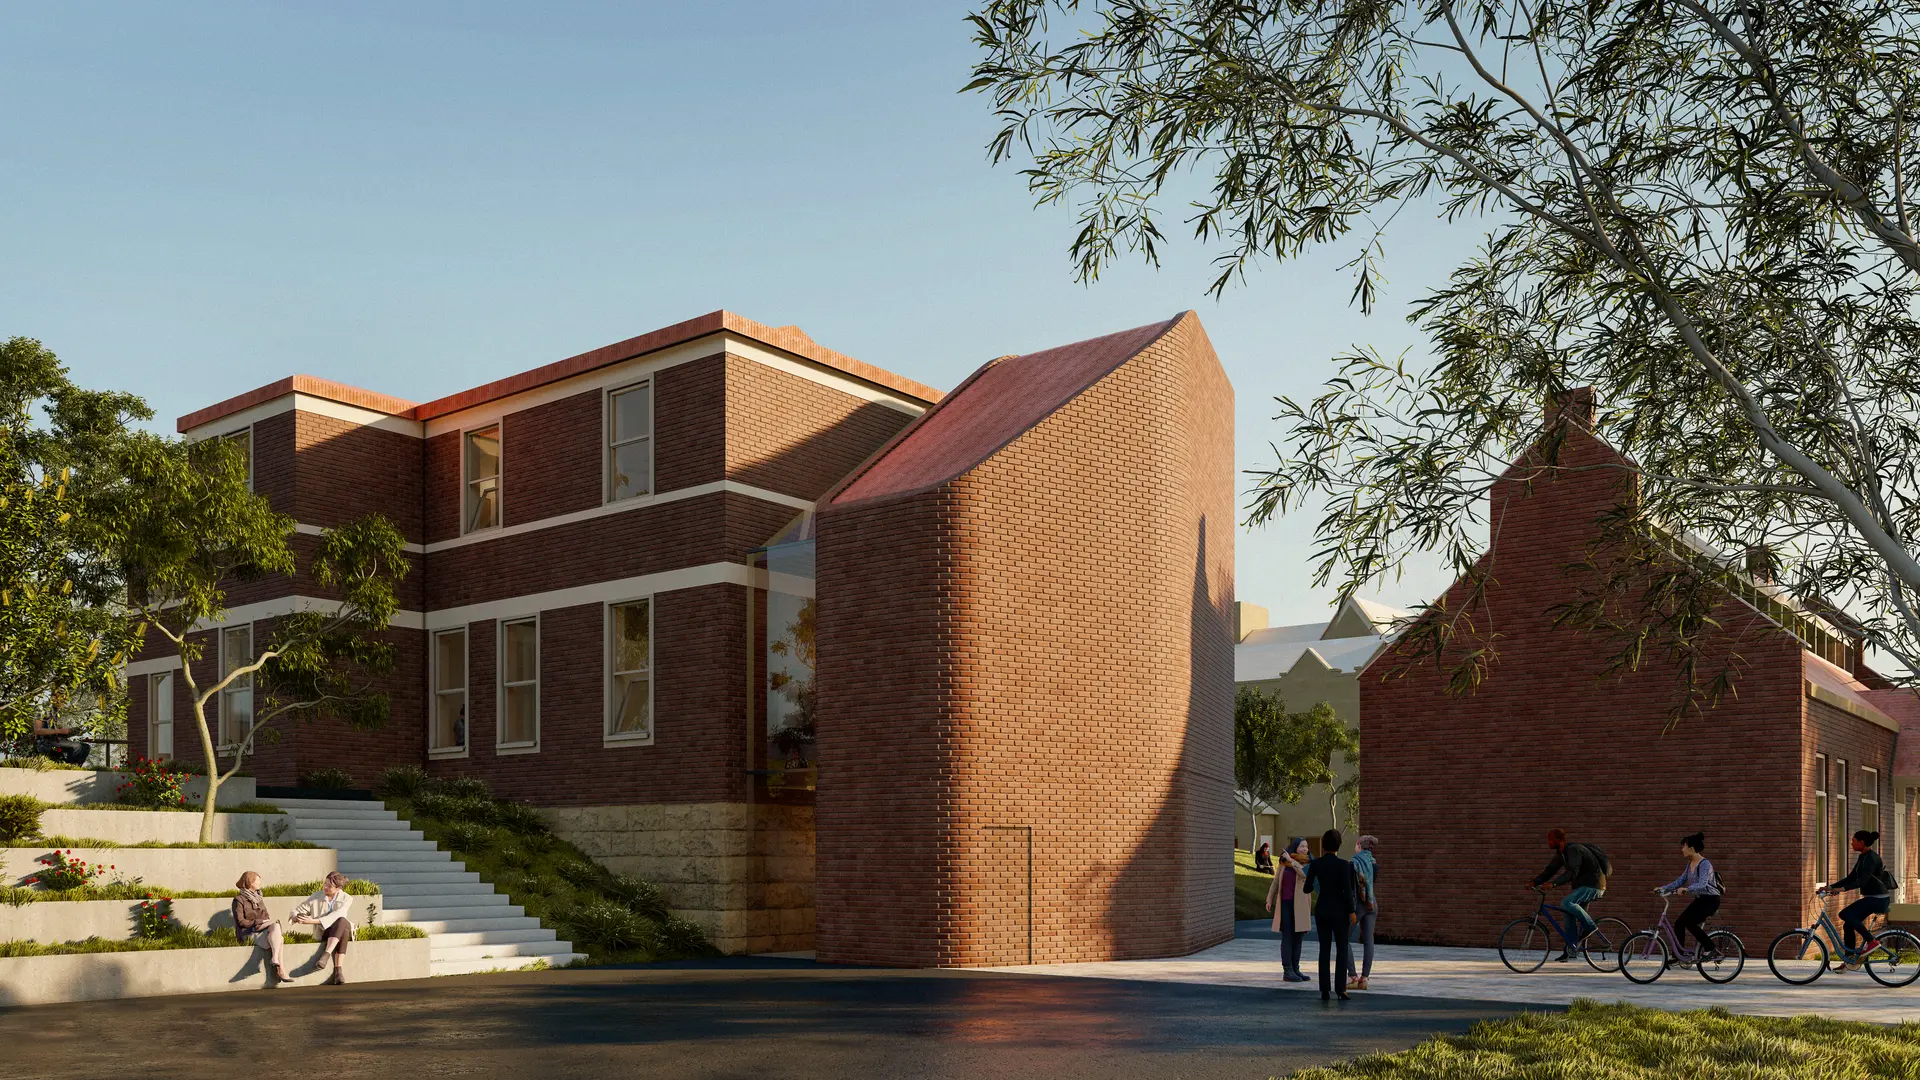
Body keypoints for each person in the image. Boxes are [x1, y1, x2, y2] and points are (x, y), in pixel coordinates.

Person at [1820, 829, 1894, 971]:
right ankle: (1850, 960)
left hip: (1878, 899)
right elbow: (1851, 878)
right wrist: (1830, 887)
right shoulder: (1863, 857)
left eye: (1853, 841)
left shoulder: (1872, 858)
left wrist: (1840, 890)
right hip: (1872, 898)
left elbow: (1861, 882)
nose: (1851, 844)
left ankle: (1871, 942)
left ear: (1861, 842)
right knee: (1848, 924)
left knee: (1845, 914)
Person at [1529, 828, 1605, 962]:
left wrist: (1553, 884)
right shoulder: (1562, 854)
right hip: (1582, 887)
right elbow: (1550, 870)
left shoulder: (1573, 850)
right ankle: (1571, 949)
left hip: (1594, 885)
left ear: (1559, 840)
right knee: (1568, 912)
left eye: (1550, 839)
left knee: (1566, 903)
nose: (1548, 842)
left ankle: (1591, 927)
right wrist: (1534, 882)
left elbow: (1571, 873)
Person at [1303, 828, 1359, 1001]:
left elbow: (1307, 888)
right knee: (1341, 948)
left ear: (1323, 845)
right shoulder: (1344, 865)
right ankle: (1341, 989)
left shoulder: (1316, 864)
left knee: (1324, 949)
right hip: (1340, 911)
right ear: (1338, 846)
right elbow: (1348, 891)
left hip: (1322, 910)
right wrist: (1352, 911)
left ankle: (1324, 989)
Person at [1657, 831, 1722, 965]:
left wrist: (1687, 889)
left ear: (1691, 848)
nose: (1682, 849)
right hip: (1701, 900)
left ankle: (1710, 948)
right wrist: (1663, 888)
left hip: (1711, 899)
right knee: (1679, 923)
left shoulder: (1705, 864)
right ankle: (1678, 956)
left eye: (1683, 846)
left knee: (1690, 923)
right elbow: (1680, 881)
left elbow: (1702, 883)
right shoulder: (1690, 865)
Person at [291, 870, 357, 985]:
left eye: (329, 886)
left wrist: (312, 921)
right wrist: (295, 916)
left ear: (338, 888)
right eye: (325, 884)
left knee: (342, 921)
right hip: (324, 932)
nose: (325, 887)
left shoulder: (347, 898)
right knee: (343, 928)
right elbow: (298, 909)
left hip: (338, 929)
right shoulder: (317, 896)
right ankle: (337, 970)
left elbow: (338, 914)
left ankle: (328, 958)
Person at [1264, 837, 1312, 982]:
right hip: (1286, 903)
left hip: (1301, 905)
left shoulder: (1308, 863)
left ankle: (1296, 969)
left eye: (1306, 846)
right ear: (1295, 847)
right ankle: (1287, 970)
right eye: (1302, 846)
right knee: (1287, 936)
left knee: (1298, 938)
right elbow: (1276, 881)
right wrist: (1269, 898)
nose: (1305, 849)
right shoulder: (1284, 862)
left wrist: (1292, 861)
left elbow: (1304, 874)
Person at [232, 870, 292, 983]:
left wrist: (263, 922)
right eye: (258, 880)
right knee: (280, 938)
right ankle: (281, 970)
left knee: (276, 929)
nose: (260, 883)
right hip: (248, 933)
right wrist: (258, 922)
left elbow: (266, 915)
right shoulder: (238, 900)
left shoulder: (258, 897)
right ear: (250, 882)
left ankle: (275, 960)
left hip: (261, 929)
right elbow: (241, 922)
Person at [1349, 835, 1379, 991]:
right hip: (1371, 902)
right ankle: (1364, 978)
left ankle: (1353, 976)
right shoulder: (1374, 863)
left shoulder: (1354, 862)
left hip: (1357, 905)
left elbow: (1351, 887)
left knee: (1343, 938)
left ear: (1358, 845)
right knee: (1369, 940)